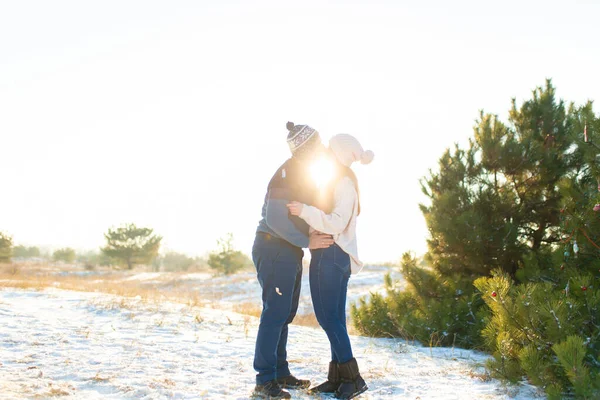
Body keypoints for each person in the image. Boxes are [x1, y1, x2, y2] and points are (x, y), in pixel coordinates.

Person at [252, 122, 335, 399]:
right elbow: (275, 218)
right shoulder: (288, 173)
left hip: (287, 251)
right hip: (274, 247)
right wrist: (307, 241)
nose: (321, 147)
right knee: (275, 313)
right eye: (317, 143)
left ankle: (279, 371)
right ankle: (264, 383)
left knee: (284, 314)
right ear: (306, 147)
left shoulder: (302, 173)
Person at [287, 134, 373, 399]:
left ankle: (353, 379)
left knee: (328, 318)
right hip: (330, 255)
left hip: (332, 254)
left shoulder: (345, 182)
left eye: (329, 148)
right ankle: (337, 378)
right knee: (334, 319)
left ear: (338, 153)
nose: (324, 151)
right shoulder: (335, 180)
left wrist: (304, 211)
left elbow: (336, 222)